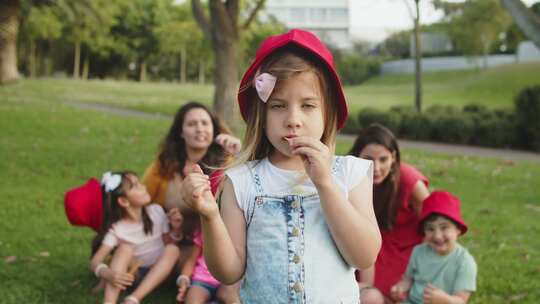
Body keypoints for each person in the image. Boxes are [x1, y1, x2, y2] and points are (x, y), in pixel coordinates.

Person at [181, 28, 382, 303]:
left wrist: (324, 183)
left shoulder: (350, 173)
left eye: (308, 106)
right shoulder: (241, 182)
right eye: (278, 106)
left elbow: (364, 255)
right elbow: (228, 272)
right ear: (260, 115)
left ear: (328, 113)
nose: (293, 119)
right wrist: (209, 216)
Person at [348, 123, 430, 302]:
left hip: (405, 246)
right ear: (357, 156)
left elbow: (432, 216)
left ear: (393, 157)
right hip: (368, 240)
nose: (376, 168)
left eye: (383, 159)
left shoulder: (408, 179)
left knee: (389, 286)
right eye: (368, 159)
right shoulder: (349, 176)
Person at [90, 171, 182, 304]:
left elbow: (167, 242)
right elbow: (95, 261)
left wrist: (176, 229)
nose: (143, 187)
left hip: (162, 274)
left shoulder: (156, 211)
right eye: (136, 186)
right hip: (135, 275)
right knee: (125, 249)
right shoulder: (118, 229)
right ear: (123, 201)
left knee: (172, 249)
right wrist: (108, 274)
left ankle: (133, 299)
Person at [389, 191, 477, 304]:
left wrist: (445, 300)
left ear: (458, 229)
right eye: (430, 229)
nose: (437, 236)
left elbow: (461, 301)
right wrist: (400, 288)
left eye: (444, 227)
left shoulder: (464, 262)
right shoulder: (419, 251)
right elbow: (408, 279)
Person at [175, 229, 239, 304]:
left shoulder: (236, 232)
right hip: (202, 280)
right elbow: (191, 261)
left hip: (227, 281)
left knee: (233, 299)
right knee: (193, 300)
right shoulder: (203, 232)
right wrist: (184, 280)